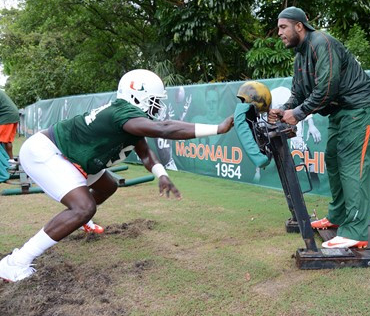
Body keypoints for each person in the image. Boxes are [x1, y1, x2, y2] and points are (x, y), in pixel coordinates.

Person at [0, 69, 234, 282]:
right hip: (48, 151)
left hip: (70, 155)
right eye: (154, 101)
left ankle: (81, 221)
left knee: (108, 185)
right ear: (137, 96)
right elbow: (165, 128)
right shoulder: (123, 114)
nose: (157, 107)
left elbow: (146, 155)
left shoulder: (129, 118)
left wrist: (161, 174)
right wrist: (217, 129)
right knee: (83, 207)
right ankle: (16, 262)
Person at [268, 7, 370, 249]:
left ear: (299, 26)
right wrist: (285, 110)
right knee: (332, 160)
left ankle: (354, 230)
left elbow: (327, 88)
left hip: (361, 108)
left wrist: (297, 114)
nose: (279, 32)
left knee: (354, 166)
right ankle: (338, 217)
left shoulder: (321, 42)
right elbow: (299, 92)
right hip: (340, 112)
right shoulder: (300, 55)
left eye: (283, 27)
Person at [0, 89, 20, 163]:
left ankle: (3, 162)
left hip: (7, 116)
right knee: (7, 140)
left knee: (2, 140)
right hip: (12, 115)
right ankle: (11, 160)